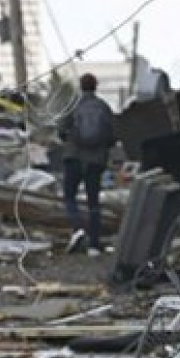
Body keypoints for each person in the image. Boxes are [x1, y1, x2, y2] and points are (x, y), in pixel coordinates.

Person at [58, 73, 117, 256]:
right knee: (93, 202)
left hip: (74, 157)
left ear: (81, 86)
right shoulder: (104, 107)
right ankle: (94, 244)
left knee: (69, 196)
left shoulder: (73, 105)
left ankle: (77, 228)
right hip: (95, 161)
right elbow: (113, 136)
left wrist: (70, 140)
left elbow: (61, 130)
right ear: (96, 86)